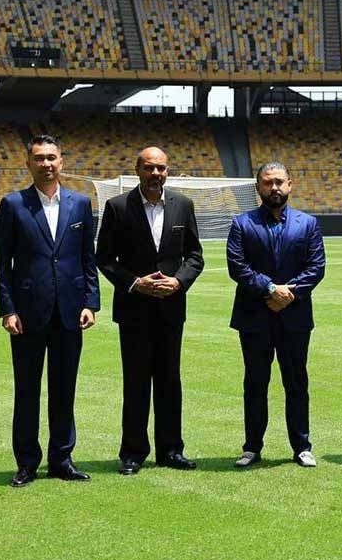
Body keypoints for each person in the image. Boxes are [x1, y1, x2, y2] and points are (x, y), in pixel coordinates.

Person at [0, 134, 100, 487]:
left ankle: (61, 459)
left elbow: (88, 259)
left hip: (70, 311)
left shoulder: (81, 205)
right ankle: (26, 462)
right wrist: (7, 309)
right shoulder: (13, 205)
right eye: (39, 158)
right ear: (28, 163)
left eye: (52, 157)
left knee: (64, 389)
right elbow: (2, 265)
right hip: (26, 314)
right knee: (26, 390)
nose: (46, 163)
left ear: (62, 161)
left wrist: (90, 302)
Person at [95, 146, 204, 473]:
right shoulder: (117, 207)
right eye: (149, 168)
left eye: (161, 168)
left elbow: (195, 256)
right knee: (137, 382)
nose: (156, 174)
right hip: (134, 310)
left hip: (171, 309)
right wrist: (134, 282)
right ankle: (132, 453)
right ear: (138, 170)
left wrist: (178, 282)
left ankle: (171, 450)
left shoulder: (183, 205)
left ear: (167, 171)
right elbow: (104, 259)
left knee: (171, 381)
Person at [226, 162, 326, 468]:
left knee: (296, 382)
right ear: (257, 188)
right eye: (268, 183)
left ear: (290, 185)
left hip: (294, 317)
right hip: (255, 316)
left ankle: (302, 446)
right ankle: (252, 447)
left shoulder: (307, 224)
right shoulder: (242, 223)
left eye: (279, 182)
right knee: (255, 382)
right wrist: (270, 289)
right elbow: (237, 267)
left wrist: (288, 294)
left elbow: (316, 267)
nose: (274, 188)